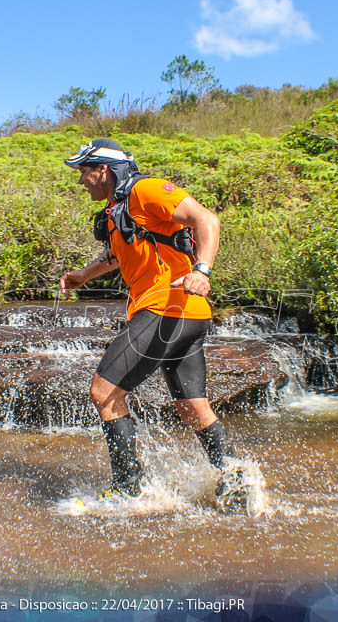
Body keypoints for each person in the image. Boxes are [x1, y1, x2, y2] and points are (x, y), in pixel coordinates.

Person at [59, 138, 245, 508]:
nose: (81, 182)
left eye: (84, 172)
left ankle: (128, 488)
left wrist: (203, 271)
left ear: (103, 169)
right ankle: (235, 480)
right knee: (194, 409)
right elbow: (115, 258)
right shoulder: (118, 209)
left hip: (165, 309)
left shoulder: (145, 189)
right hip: (186, 318)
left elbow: (206, 219)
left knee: (104, 392)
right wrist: (82, 275)